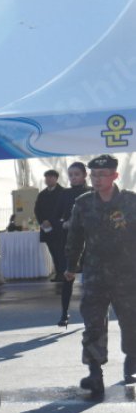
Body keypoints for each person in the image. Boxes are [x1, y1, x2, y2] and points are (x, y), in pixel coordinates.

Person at [64, 154, 136, 398]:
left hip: (128, 275)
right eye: (93, 175)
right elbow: (74, 237)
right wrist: (71, 265)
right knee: (93, 324)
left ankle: (133, 363)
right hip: (95, 275)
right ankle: (95, 373)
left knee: (132, 322)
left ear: (115, 175)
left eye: (102, 174)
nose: (97, 179)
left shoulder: (131, 202)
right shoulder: (83, 203)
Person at [57, 161, 89, 327]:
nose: (73, 177)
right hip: (70, 241)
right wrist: (64, 222)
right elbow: (58, 215)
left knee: (90, 280)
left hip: (90, 243)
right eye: (70, 175)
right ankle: (64, 313)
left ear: (85, 175)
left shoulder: (92, 192)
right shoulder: (65, 193)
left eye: (77, 174)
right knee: (68, 277)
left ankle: (91, 313)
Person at [35, 169, 67, 282]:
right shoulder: (42, 194)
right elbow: (37, 210)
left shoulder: (63, 192)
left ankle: (63, 274)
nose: (48, 179)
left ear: (56, 178)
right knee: (53, 251)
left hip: (59, 228)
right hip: (46, 228)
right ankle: (59, 273)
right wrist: (42, 221)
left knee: (60, 252)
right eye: (46, 177)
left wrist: (51, 221)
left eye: (51, 177)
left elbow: (64, 210)